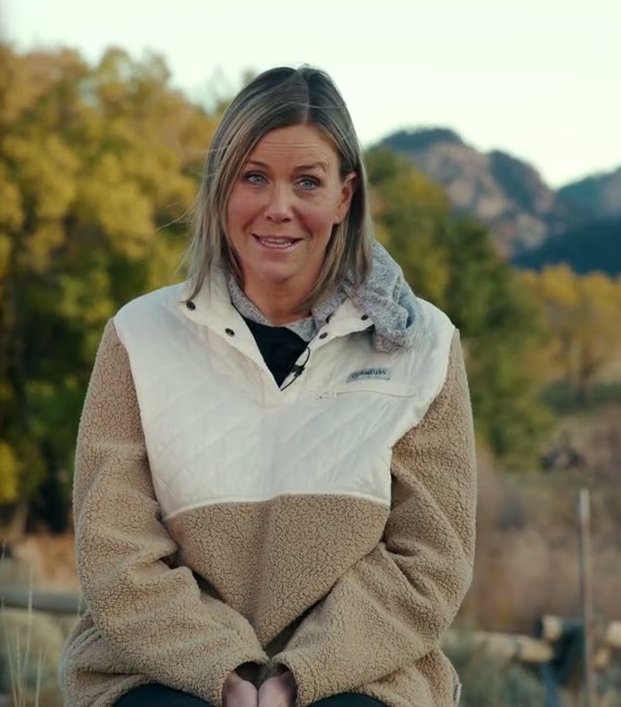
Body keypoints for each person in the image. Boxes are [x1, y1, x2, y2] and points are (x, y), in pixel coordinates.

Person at [57, 65, 478, 707]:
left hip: (361, 675)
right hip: (161, 668)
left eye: (307, 181)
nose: (278, 206)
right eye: (254, 177)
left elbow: (429, 559)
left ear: (344, 197)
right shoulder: (138, 336)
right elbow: (117, 549)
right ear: (221, 188)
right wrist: (223, 673)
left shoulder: (425, 347)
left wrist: (296, 678)